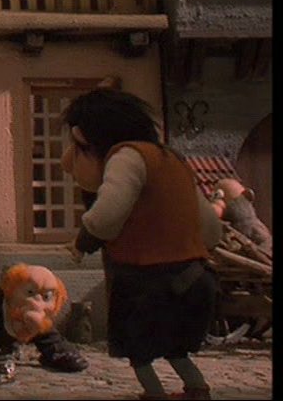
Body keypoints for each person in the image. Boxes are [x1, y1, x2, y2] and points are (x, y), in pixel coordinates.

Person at [61, 88, 223, 400]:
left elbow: (107, 216)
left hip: (148, 284)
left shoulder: (125, 157)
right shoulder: (172, 159)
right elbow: (211, 230)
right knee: (176, 350)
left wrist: (84, 239)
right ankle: (197, 389)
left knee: (140, 353)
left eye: (78, 148)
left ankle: (154, 394)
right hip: (192, 279)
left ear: (88, 138)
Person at [0, 263, 88, 379]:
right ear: (11, 291)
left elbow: (52, 341)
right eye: (30, 292)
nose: (37, 302)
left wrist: (66, 356)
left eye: (46, 297)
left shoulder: (36, 319)